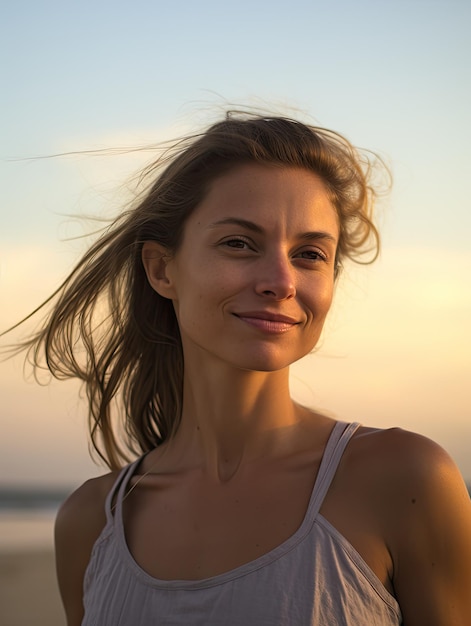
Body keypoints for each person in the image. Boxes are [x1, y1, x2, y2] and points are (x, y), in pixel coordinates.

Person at [10, 112, 471, 625]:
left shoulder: (404, 481)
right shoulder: (90, 524)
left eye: (310, 254)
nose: (281, 280)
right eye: (239, 243)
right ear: (162, 270)